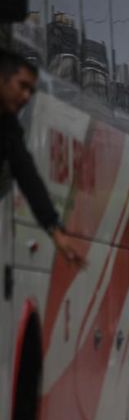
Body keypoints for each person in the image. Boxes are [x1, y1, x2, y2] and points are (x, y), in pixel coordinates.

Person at [0, 49, 84, 267]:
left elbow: (27, 175)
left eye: (31, 90)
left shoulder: (9, 127)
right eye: (22, 86)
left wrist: (54, 229)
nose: (26, 96)